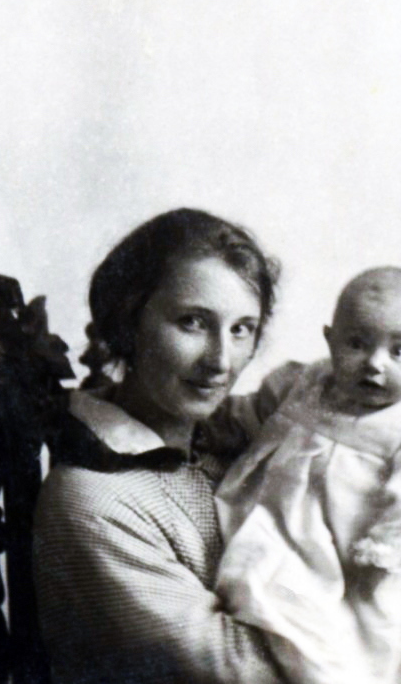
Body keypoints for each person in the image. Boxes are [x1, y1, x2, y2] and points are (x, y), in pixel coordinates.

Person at [32, 208, 284, 684]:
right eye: (192, 323)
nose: (221, 361)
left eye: (241, 328)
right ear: (128, 323)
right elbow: (238, 671)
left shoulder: (226, 438)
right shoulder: (91, 500)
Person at [213, 267, 401, 684]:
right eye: (357, 344)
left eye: (399, 351)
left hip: (359, 552)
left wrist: (381, 553)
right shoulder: (310, 380)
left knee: (363, 640)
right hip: (291, 532)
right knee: (272, 597)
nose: (374, 364)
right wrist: (219, 422)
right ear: (330, 340)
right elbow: (257, 411)